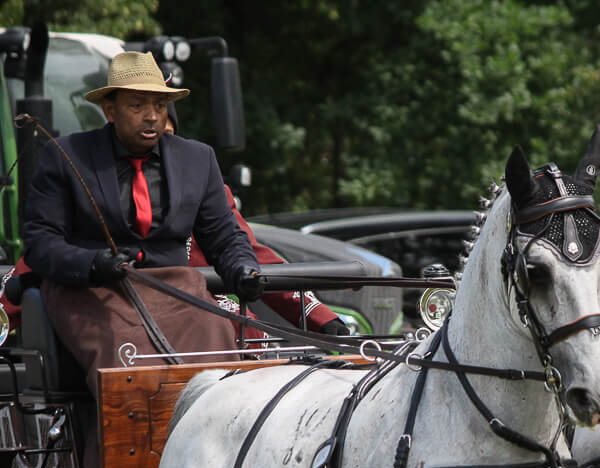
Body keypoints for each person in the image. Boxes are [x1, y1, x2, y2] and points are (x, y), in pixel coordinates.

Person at [21, 51, 262, 394]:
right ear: (110, 111)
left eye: (160, 106)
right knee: (128, 355)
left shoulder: (198, 158)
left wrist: (243, 268)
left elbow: (224, 236)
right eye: (137, 106)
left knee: (215, 340)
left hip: (177, 289)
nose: (152, 116)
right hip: (91, 292)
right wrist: (93, 264)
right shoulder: (65, 155)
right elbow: (40, 242)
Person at [0, 105, 349, 339]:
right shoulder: (90, 188)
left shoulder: (200, 185)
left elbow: (246, 250)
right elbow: (42, 254)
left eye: (165, 132)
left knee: (248, 336)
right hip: (112, 306)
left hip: (192, 302)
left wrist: (321, 319)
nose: (152, 130)